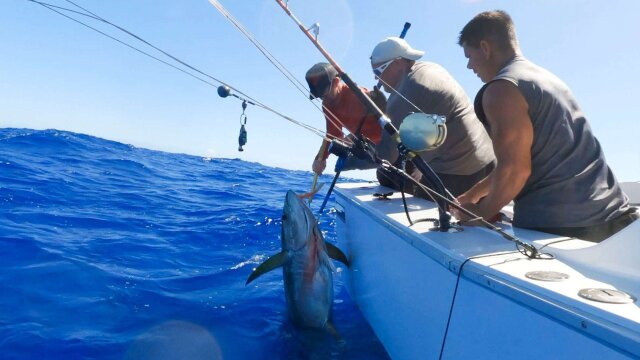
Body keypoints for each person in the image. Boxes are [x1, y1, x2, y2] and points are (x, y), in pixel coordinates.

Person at [454, 10, 637, 242]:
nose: (470, 66)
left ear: (485, 48)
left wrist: (478, 213)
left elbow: (515, 171)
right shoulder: (546, 79)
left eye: (469, 56)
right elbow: (521, 160)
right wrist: (473, 194)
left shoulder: (501, 90)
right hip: (612, 218)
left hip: (561, 228)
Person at [370, 37, 495, 197]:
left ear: (398, 63)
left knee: (386, 174)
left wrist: (350, 155)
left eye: (378, 72)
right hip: (489, 164)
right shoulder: (430, 68)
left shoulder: (405, 92)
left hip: (462, 176)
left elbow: (385, 155)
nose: (376, 78)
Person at [305, 62, 385, 175]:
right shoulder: (327, 105)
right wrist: (320, 158)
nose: (324, 99)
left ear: (336, 82)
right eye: (319, 96)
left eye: (324, 93)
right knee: (342, 164)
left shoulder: (360, 95)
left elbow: (386, 127)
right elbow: (333, 134)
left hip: (387, 146)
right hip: (364, 148)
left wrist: (352, 139)